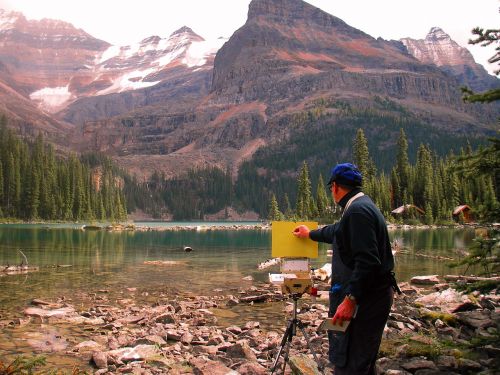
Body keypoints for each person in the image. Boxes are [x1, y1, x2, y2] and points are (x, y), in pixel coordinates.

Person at [293, 163, 398, 375]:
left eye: (331, 187)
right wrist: (310, 233)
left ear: (335, 187)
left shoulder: (357, 212)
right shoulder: (359, 205)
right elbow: (337, 232)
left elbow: (368, 261)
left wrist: (350, 299)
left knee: (352, 364)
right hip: (372, 296)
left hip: (369, 299)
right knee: (362, 362)